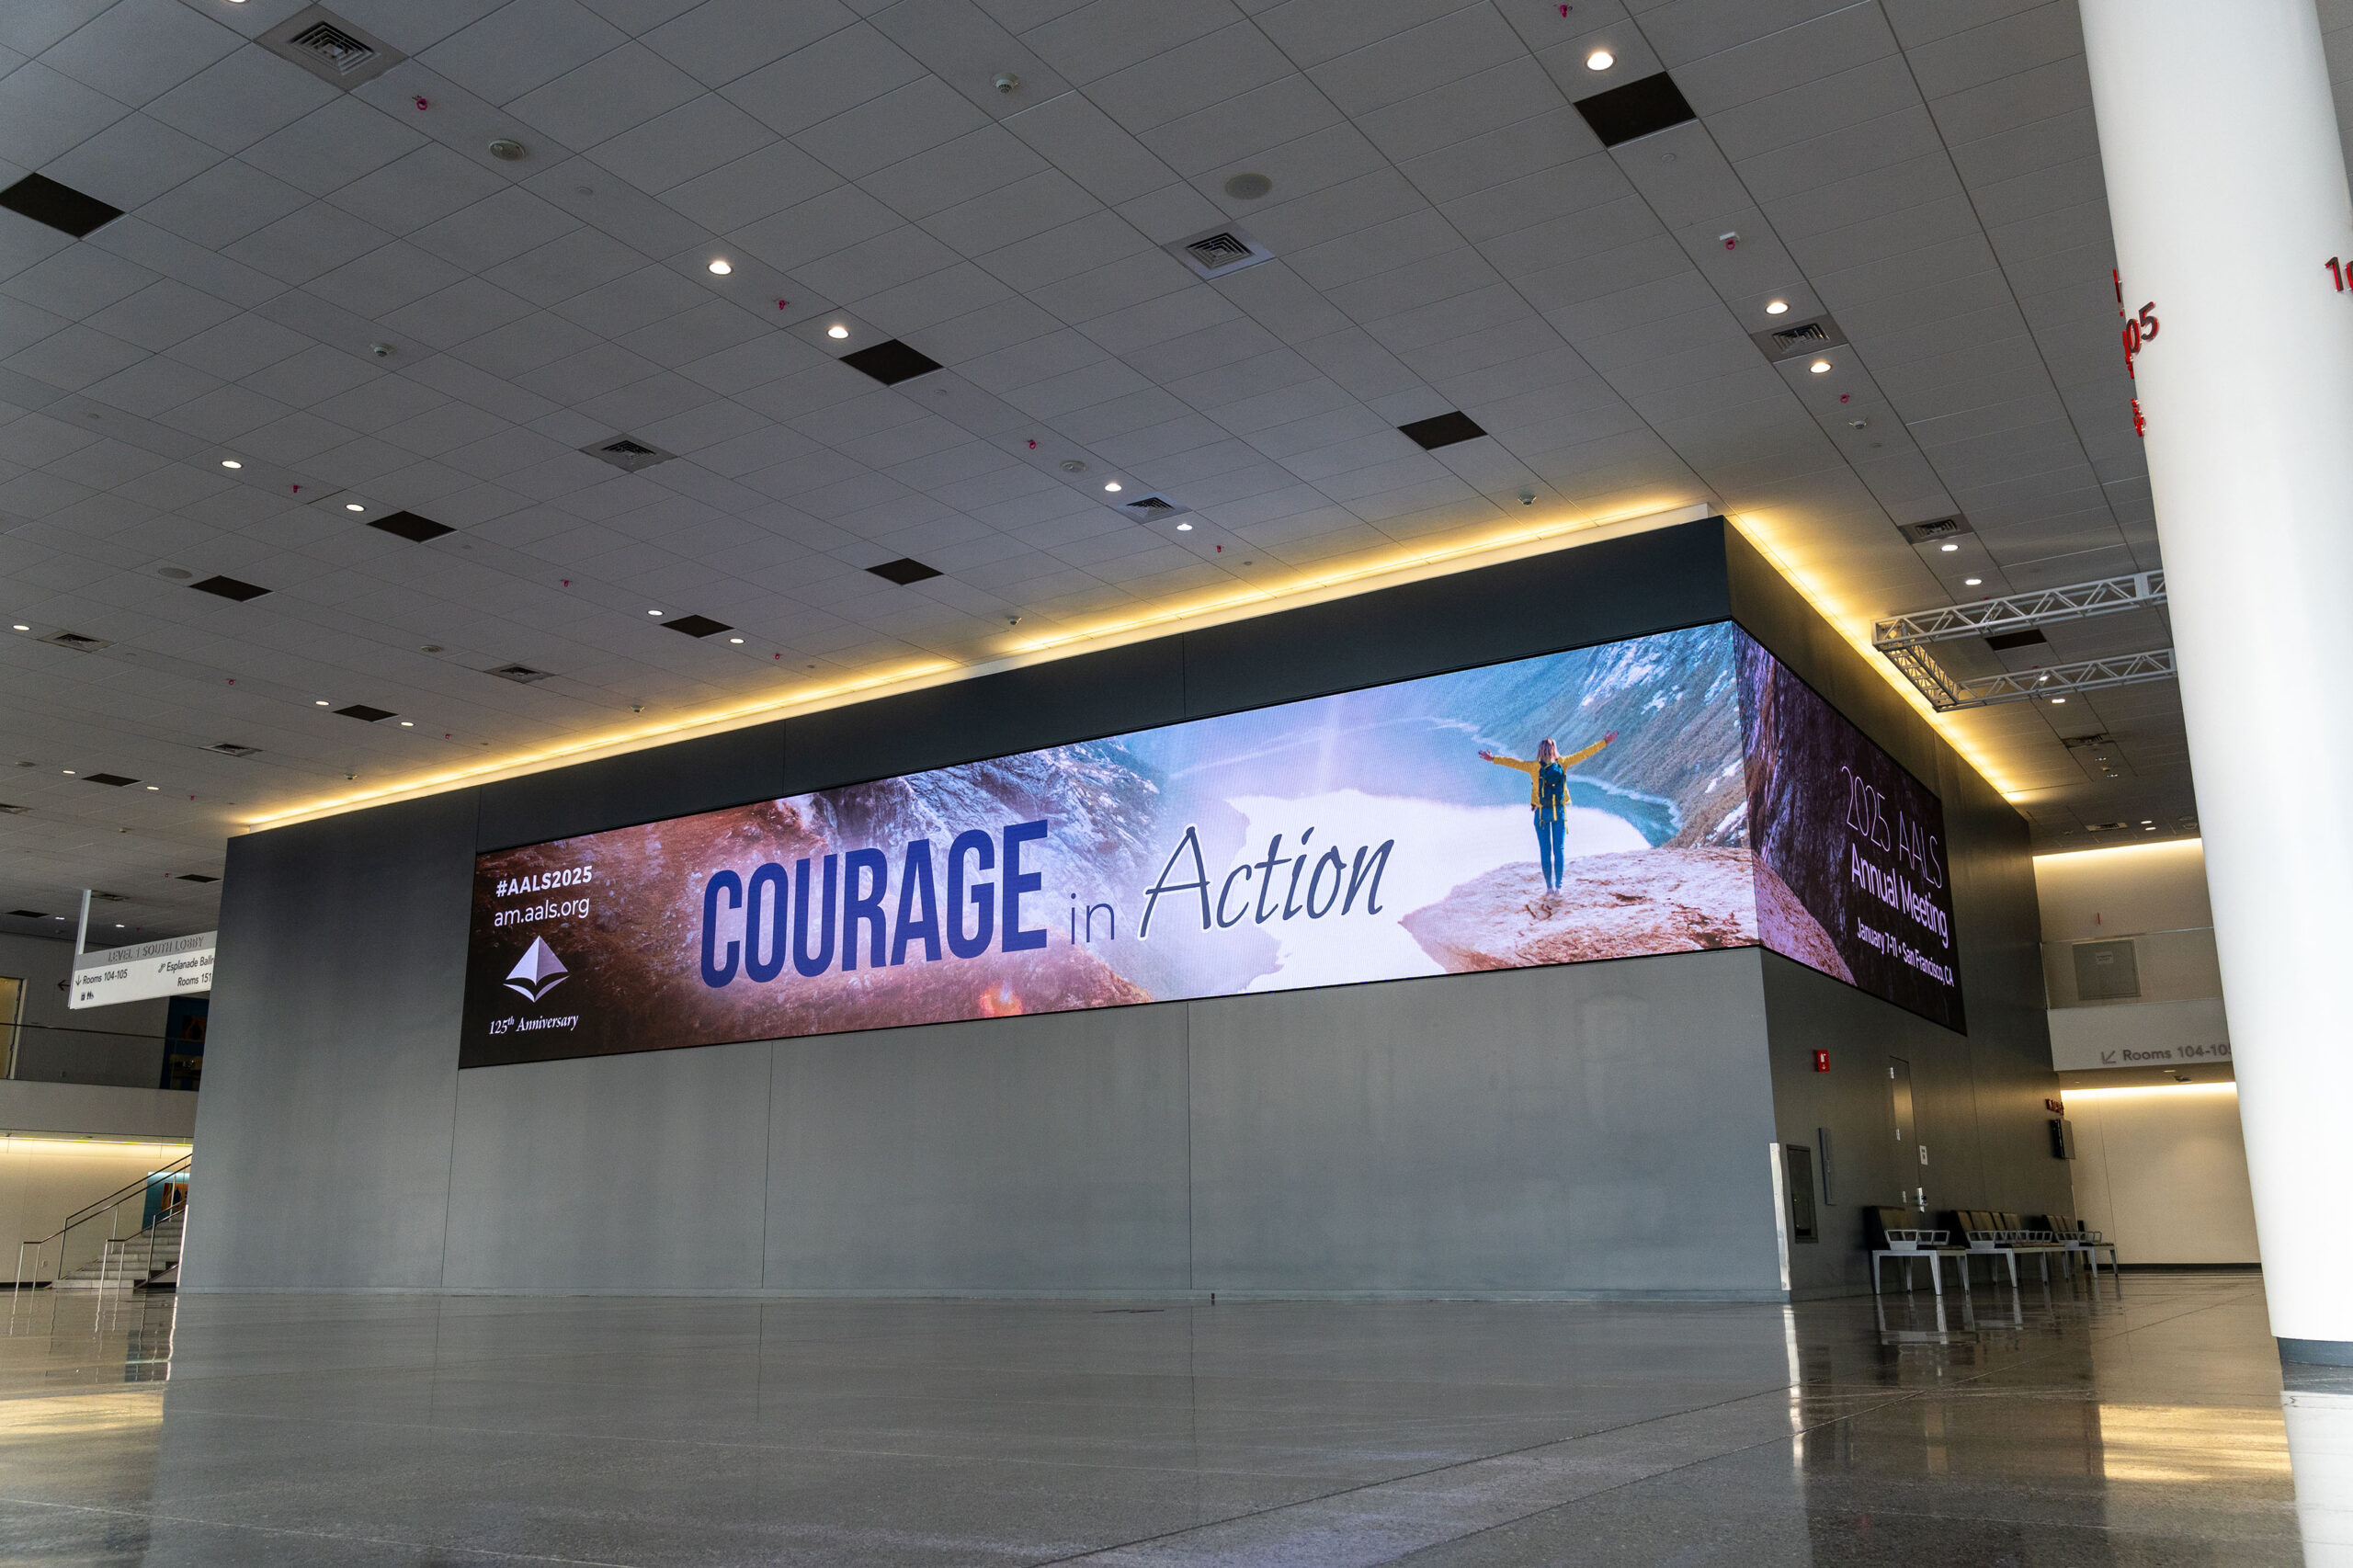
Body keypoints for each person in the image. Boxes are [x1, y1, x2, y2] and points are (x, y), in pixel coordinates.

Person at [1480, 733, 1618, 892]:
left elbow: (1513, 763)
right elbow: (1584, 753)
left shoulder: (1533, 767)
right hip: (1559, 812)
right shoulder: (1563, 763)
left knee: (1545, 851)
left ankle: (1549, 887)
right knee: (1559, 849)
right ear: (1554, 751)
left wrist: (1493, 758)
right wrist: (1604, 742)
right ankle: (1559, 887)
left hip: (1540, 815)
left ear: (1540, 752)